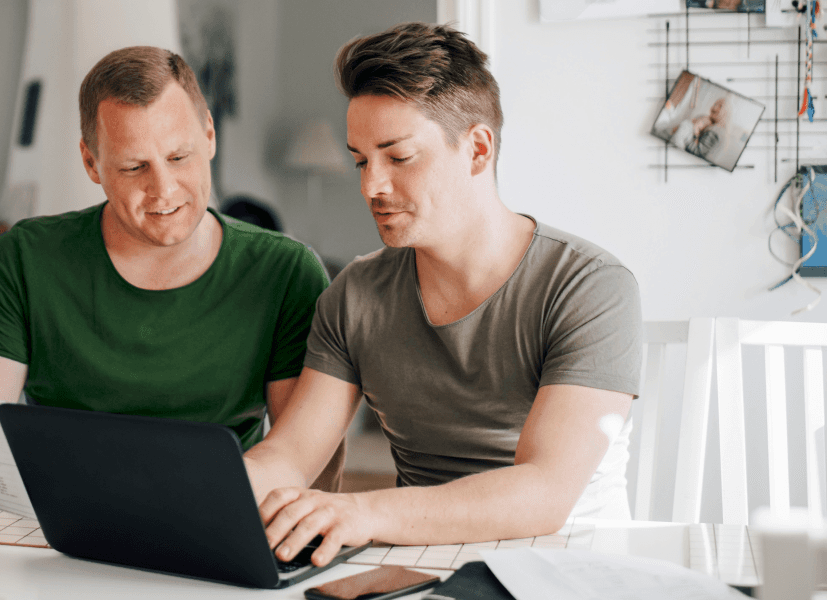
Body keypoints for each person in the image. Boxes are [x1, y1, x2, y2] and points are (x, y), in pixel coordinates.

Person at [0, 46, 344, 509]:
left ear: (210, 136)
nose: (164, 189)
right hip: (58, 528)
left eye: (180, 157)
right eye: (135, 167)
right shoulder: (22, 261)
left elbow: (303, 465)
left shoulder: (286, 273)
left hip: (220, 518)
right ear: (92, 163)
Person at [243, 22, 642, 568]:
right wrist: (206, 494)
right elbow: (291, 454)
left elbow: (545, 493)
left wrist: (361, 512)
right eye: (361, 159)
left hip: (571, 566)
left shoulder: (589, 286)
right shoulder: (354, 295)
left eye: (398, 157)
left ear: (477, 149)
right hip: (418, 565)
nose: (371, 187)